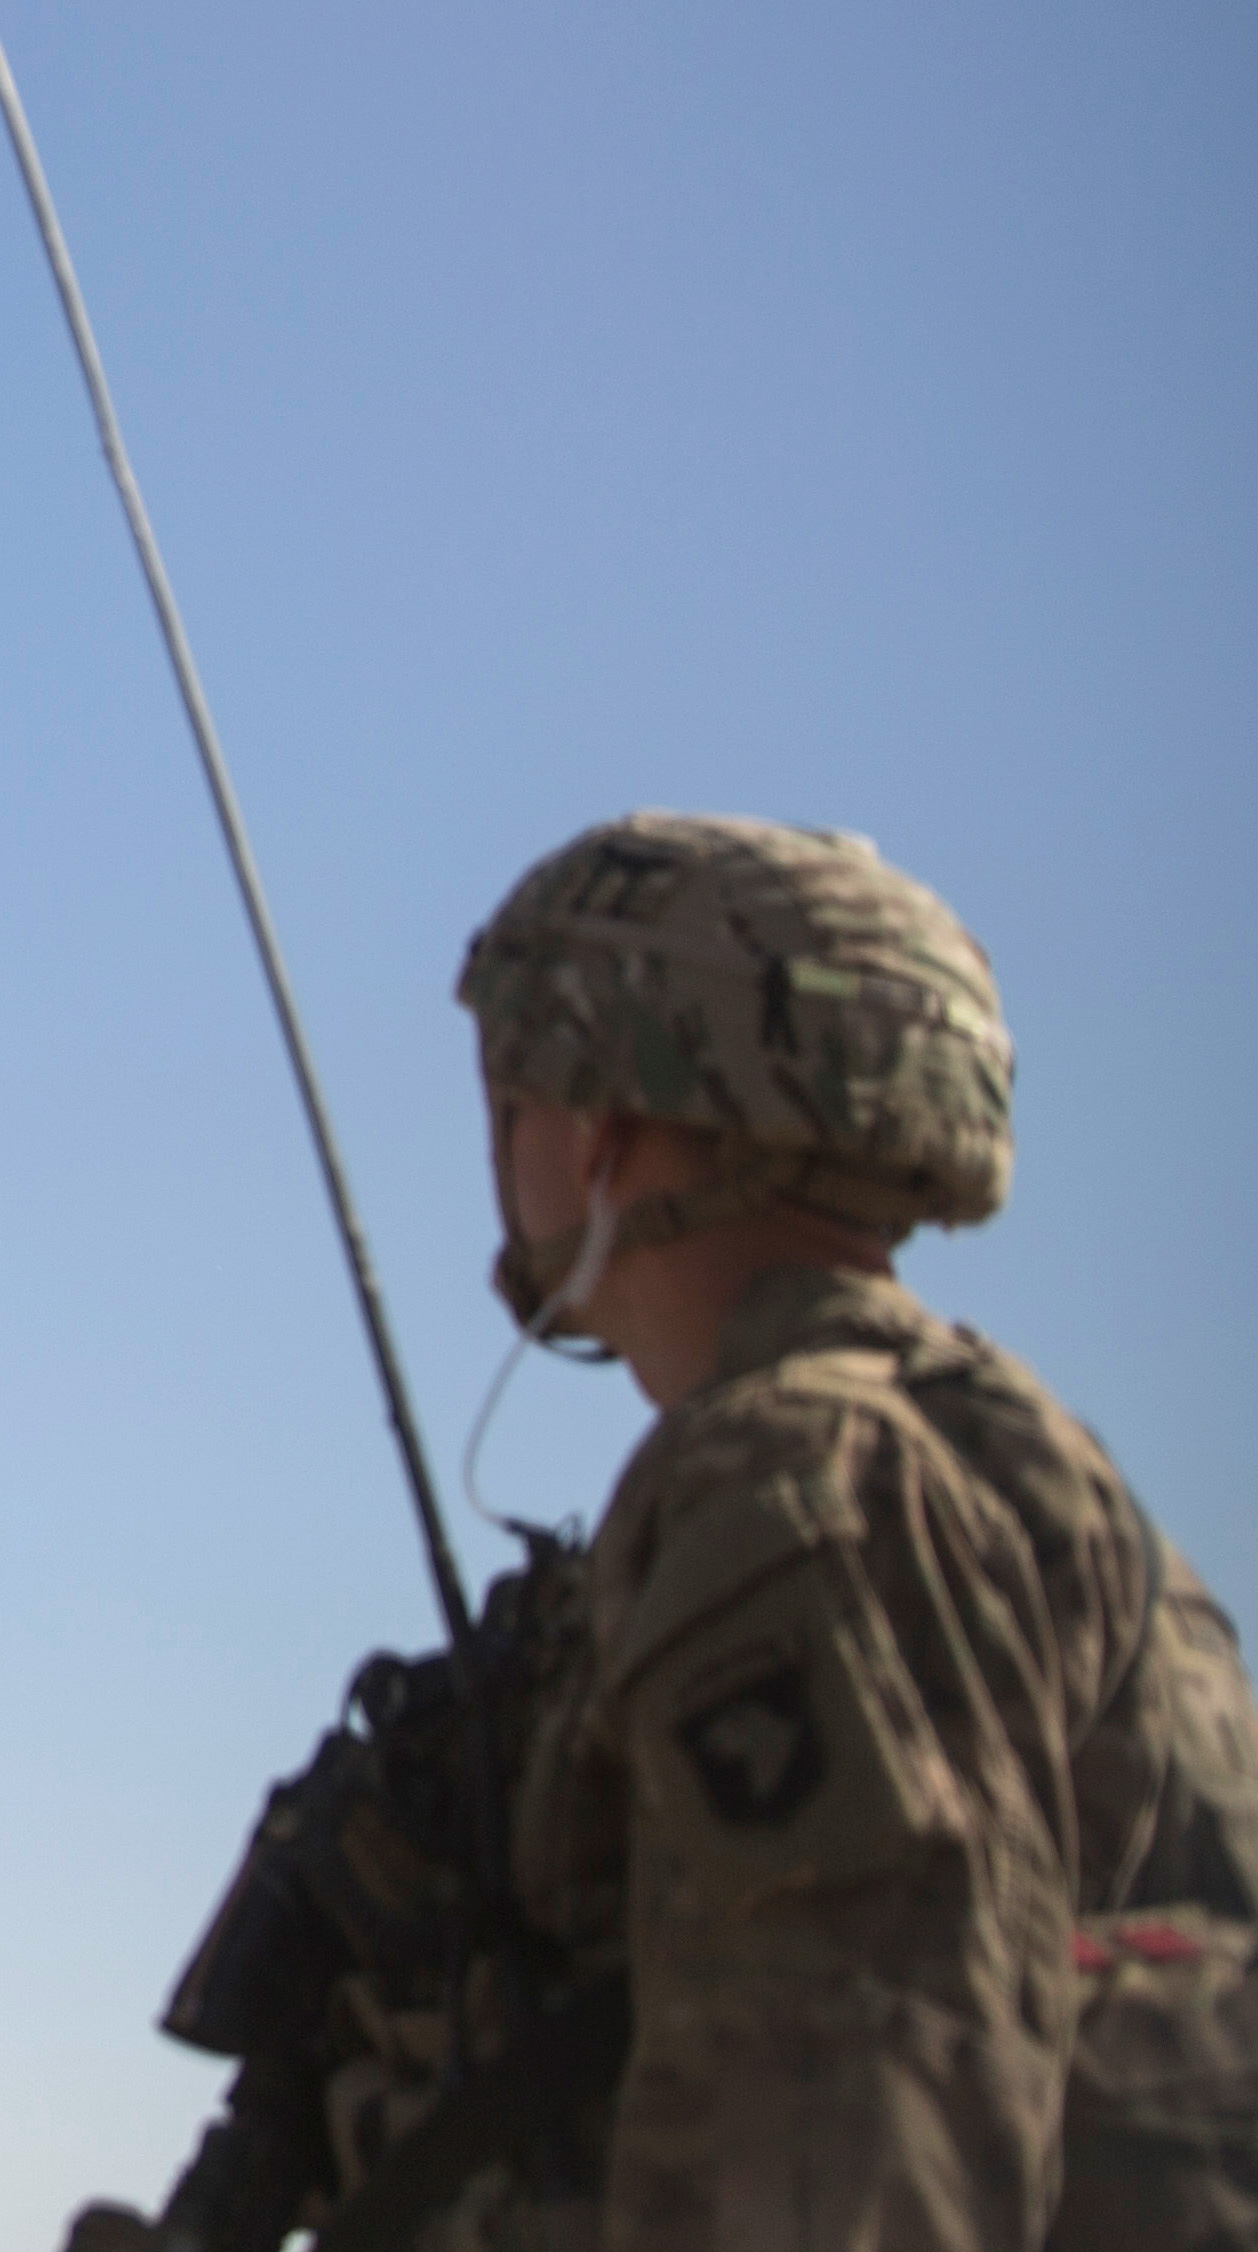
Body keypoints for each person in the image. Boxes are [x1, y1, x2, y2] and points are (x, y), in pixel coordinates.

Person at [89, 810, 1258, 2250]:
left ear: (601, 1122)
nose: (498, 1140)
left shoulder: (793, 1489)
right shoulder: (971, 1450)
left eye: (514, 1092)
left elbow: (846, 2165)